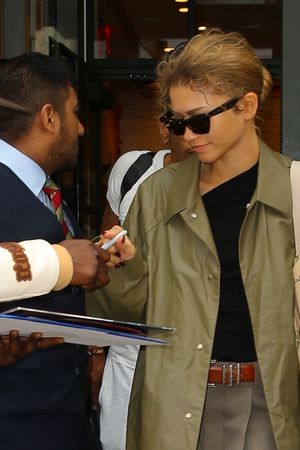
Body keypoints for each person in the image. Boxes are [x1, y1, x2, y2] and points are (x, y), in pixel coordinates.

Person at [88, 29, 300, 450]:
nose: (188, 135)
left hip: (272, 406)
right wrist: (122, 267)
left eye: (200, 119)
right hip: (172, 401)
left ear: (247, 105)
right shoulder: (158, 192)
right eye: (176, 122)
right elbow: (123, 316)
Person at [0, 52, 119, 450]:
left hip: (63, 416)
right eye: (75, 112)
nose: (82, 128)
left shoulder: (46, 191)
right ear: (50, 117)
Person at [97, 121, 191, 450]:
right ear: (164, 129)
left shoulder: (228, 180)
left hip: (193, 354)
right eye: (184, 124)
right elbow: (105, 257)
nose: (196, 135)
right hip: (129, 351)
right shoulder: (132, 170)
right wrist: (96, 350)